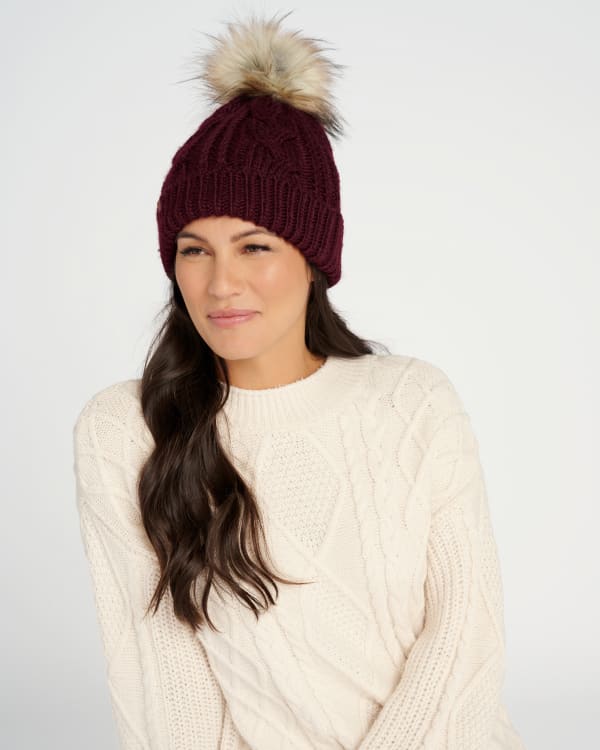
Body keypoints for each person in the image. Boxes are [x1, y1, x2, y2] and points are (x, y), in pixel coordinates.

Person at [72, 10, 527, 750]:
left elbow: (462, 640)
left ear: (313, 261)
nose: (221, 283)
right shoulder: (125, 431)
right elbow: (163, 683)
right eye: (194, 250)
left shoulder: (412, 402)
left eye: (254, 246)